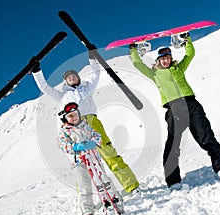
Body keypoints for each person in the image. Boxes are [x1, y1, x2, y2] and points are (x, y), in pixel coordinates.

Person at [29, 51, 140, 196]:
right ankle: (102, 195)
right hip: (76, 126)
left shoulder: (86, 88)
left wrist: (92, 58)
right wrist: (37, 72)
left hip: (92, 122)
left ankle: (131, 186)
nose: (72, 78)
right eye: (69, 78)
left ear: (78, 78)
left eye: (74, 76)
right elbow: (45, 88)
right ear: (65, 82)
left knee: (109, 153)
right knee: (85, 162)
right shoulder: (63, 96)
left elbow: (96, 74)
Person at [129, 32, 220, 189]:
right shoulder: (155, 74)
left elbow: (190, 53)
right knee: (173, 144)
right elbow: (138, 64)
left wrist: (187, 39)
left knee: (206, 136)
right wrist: (133, 50)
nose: (165, 61)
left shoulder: (179, 68)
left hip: (191, 104)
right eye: (162, 59)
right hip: (173, 108)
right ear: (158, 61)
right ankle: (174, 181)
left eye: (168, 58)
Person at [57, 102, 123, 215]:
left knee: (104, 179)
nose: (74, 118)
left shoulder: (85, 125)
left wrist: (94, 141)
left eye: (75, 114)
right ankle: (87, 211)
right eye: (70, 116)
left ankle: (115, 199)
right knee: (85, 186)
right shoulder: (64, 131)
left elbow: (96, 135)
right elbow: (63, 145)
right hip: (79, 163)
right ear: (65, 119)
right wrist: (75, 147)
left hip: (94, 159)